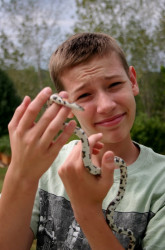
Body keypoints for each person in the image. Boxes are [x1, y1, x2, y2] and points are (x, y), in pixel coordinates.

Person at [0, 32, 165, 250]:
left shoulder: (160, 182)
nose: (106, 105)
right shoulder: (44, 166)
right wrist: (20, 173)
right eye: (85, 95)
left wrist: (87, 211)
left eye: (114, 84)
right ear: (65, 107)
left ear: (132, 81)